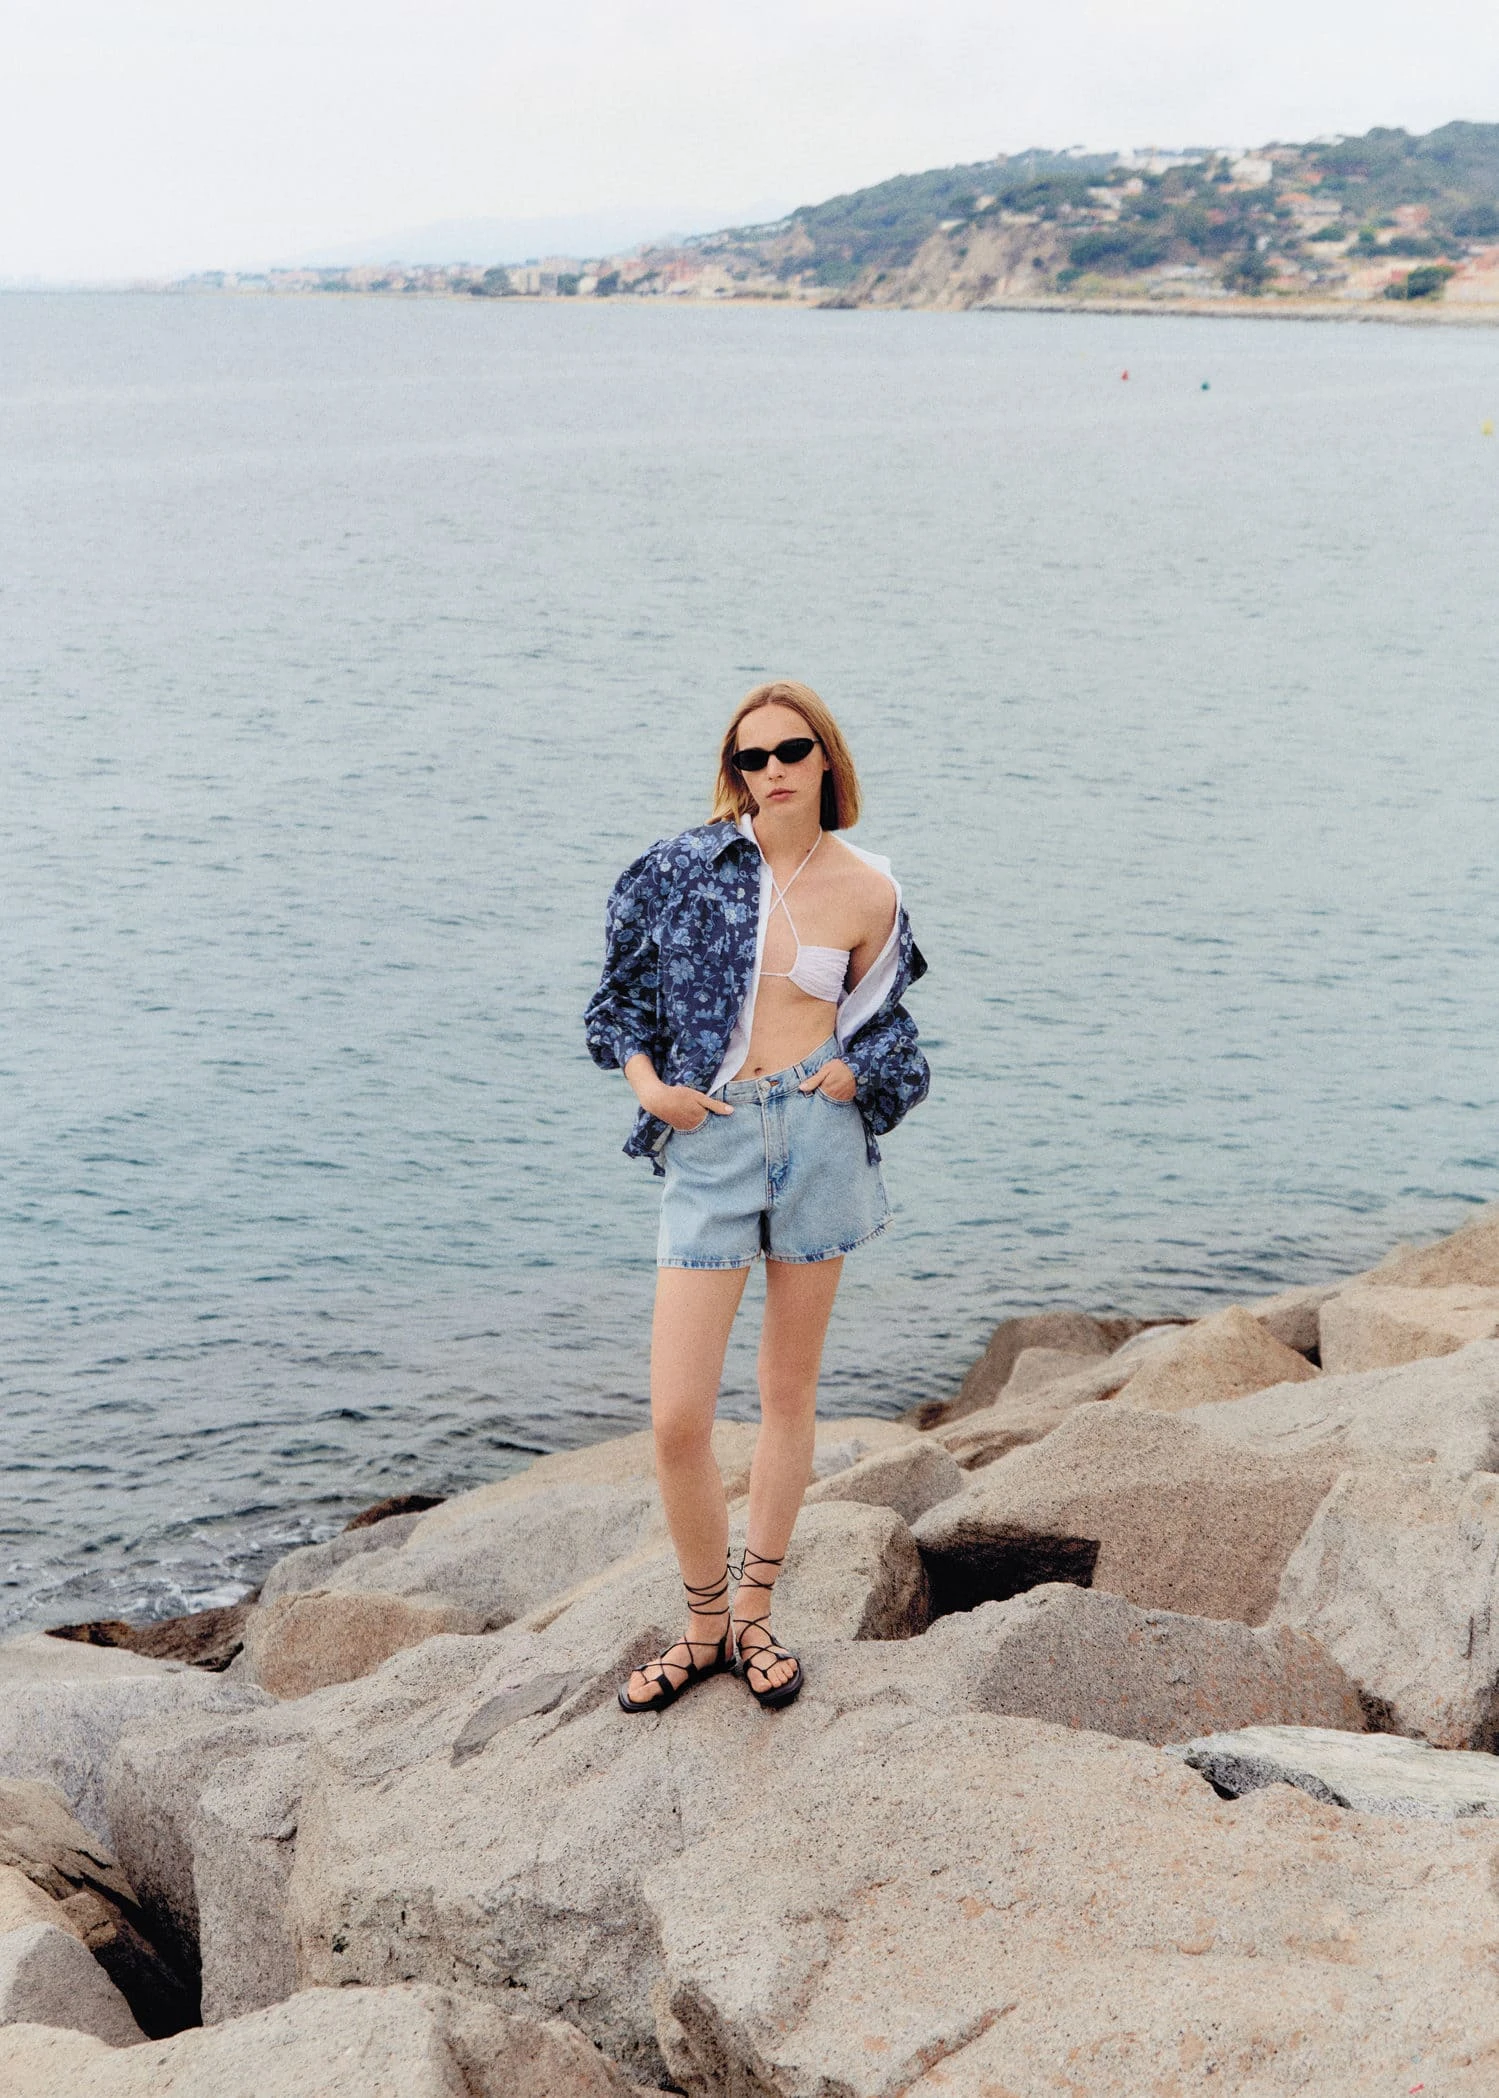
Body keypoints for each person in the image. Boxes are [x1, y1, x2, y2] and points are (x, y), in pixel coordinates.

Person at [585, 680, 928, 1713]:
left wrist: (857, 1074)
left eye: (789, 751)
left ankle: (753, 1618)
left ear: (825, 759)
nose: (771, 771)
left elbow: (889, 1030)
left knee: (786, 1397)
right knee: (677, 1416)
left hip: (816, 1140)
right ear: (732, 771)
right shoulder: (682, 867)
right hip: (713, 1136)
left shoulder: (870, 890)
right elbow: (617, 1002)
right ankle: (701, 1626)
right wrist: (652, 1090)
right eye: (750, 757)